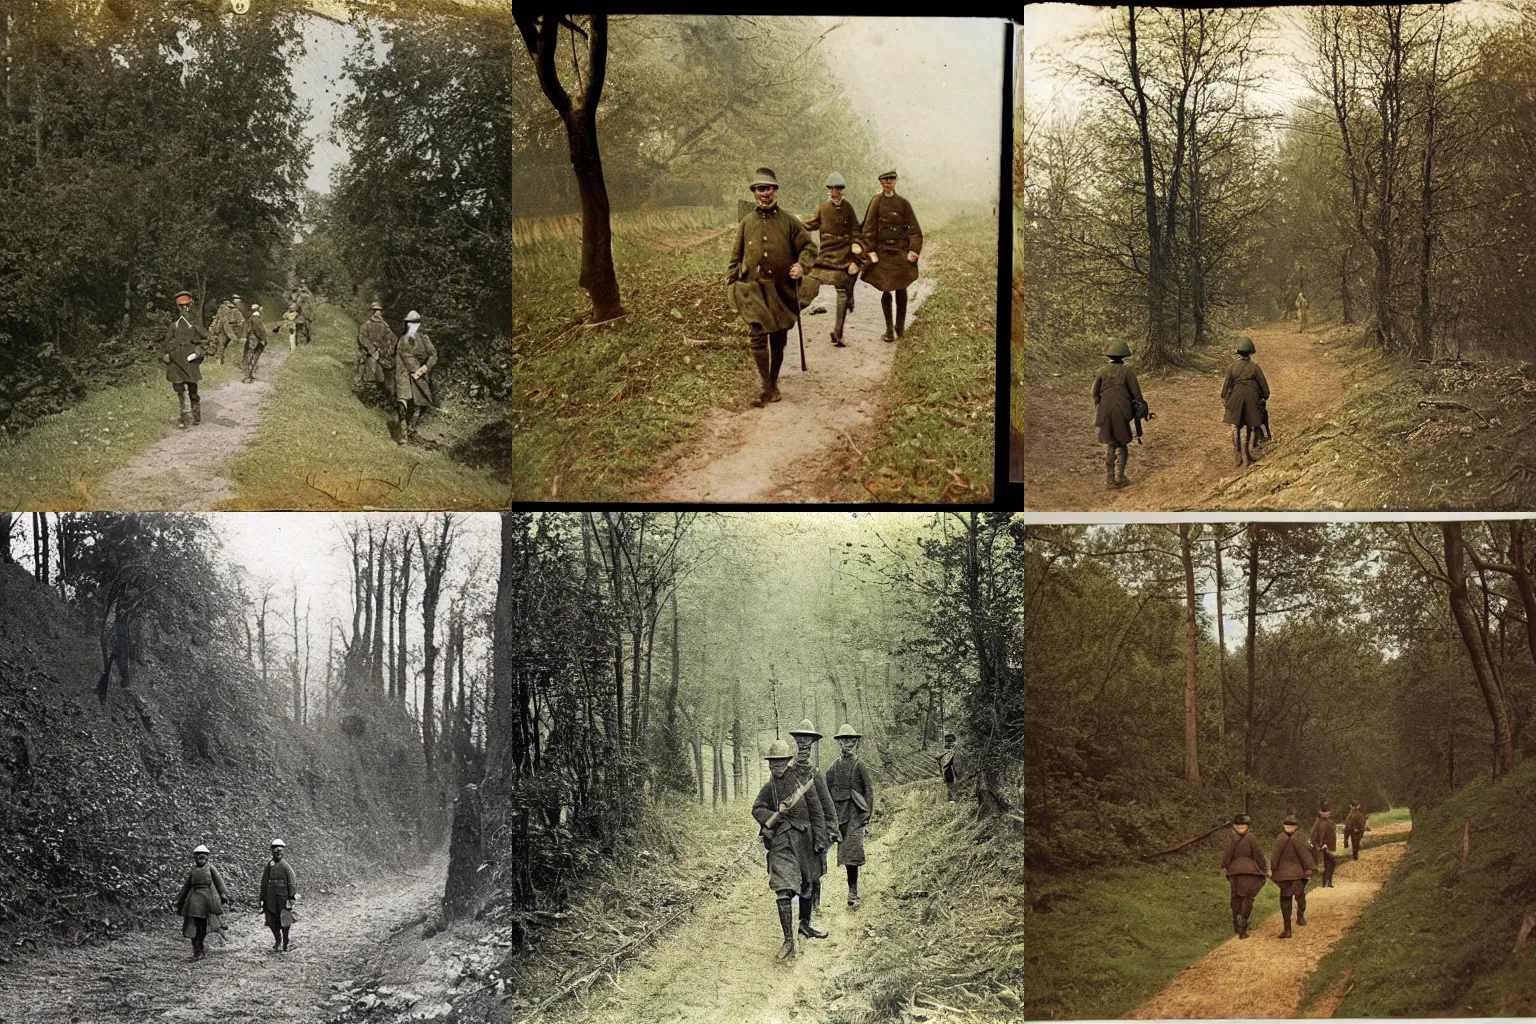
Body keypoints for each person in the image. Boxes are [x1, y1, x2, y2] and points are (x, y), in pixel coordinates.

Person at [727, 167, 816, 407]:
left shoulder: (789, 221)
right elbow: (735, 257)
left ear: (775, 191)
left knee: (778, 338)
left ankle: (773, 382)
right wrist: (731, 284)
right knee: (757, 336)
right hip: (753, 289)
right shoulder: (747, 222)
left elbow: (809, 248)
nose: (765, 193)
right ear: (754, 192)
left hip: (781, 290)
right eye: (760, 189)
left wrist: (801, 266)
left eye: (768, 188)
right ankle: (766, 386)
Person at [751, 739, 830, 961]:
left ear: (787, 762)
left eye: (779, 763)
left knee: (807, 885)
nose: (775, 767)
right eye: (772, 763)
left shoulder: (802, 781)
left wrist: (820, 840)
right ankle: (788, 941)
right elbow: (757, 808)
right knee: (782, 888)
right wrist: (773, 816)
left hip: (805, 839)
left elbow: (817, 812)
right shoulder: (770, 787)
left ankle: (804, 925)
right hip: (781, 841)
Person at [801, 172, 864, 347]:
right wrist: (794, 226)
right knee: (808, 282)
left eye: (838, 189)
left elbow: (856, 232)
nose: (835, 192)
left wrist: (856, 251)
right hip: (825, 256)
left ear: (842, 191)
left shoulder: (848, 208)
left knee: (842, 290)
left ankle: (838, 333)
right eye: (832, 189)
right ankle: (786, 320)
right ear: (828, 190)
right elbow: (810, 224)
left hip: (843, 256)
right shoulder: (823, 208)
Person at [859, 170, 922, 343]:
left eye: (891, 180)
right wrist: (870, 251)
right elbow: (868, 228)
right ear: (880, 183)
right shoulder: (876, 201)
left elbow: (914, 230)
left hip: (900, 253)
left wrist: (913, 251)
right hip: (882, 253)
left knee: (902, 288)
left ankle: (900, 328)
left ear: (896, 182)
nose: (888, 184)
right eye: (885, 181)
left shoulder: (903, 204)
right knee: (885, 288)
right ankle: (889, 331)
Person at [787, 719, 838, 922]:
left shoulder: (815, 774)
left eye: (807, 748)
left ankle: (815, 904)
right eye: (800, 746)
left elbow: (827, 805)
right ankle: (802, 908)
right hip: (795, 830)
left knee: (815, 870)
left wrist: (831, 829)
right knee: (798, 870)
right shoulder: (788, 774)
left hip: (815, 831)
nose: (803, 751)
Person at [825, 724, 874, 908]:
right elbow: (827, 787)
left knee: (853, 850)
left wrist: (867, 813)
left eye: (851, 740)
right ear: (840, 743)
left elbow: (869, 790)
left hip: (856, 813)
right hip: (841, 814)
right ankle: (851, 887)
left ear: (855, 743)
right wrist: (831, 811)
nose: (847, 744)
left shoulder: (859, 765)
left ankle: (853, 891)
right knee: (845, 853)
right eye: (844, 740)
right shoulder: (834, 766)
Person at [1092, 340, 1144, 490]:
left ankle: (1110, 480)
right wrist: (1139, 406)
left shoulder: (1101, 371)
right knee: (1122, 444)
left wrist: (1100, 402)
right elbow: (1137, 395)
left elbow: (1094, 393)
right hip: (1122, 411)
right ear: (1124, 356)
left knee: (1110, 444)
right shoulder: (1128, 371)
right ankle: (1120, 477)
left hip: (1106, 410)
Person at [174, 843, 230, 960]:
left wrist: (223, 895)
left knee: (202, 925)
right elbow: (187, 885)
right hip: (193, 899)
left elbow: (219, 883)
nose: (200, 860)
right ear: (195, 858)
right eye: (198, 857)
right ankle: (197, 950)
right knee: (192, 924)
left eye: (203, 857)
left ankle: (200, 948)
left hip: (207, 899)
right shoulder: (193, 870)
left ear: (207, 858)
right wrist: (179, 899)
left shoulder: (210, 868)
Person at [1222, 336, 1270, 468]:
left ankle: (1237, 454)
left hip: (1235, 398)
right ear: (1251, 352)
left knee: (1235, 426)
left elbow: (1225, 388)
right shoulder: (1255, 368)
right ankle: (1246, 455)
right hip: (1251, 398)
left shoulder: (1231, 367)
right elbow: (1265, 388)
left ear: (1238, 352)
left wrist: (1225, 399)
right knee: (1248, 426)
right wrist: (1264, 397)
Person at [162, 291, 208, 429]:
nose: (184, 310)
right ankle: (184, 416)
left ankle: (196, 413)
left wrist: (198, 351)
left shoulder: (195, 325)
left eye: (187, 306)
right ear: (178, 308)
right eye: (181, 307)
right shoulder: (174, 326)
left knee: (192, 388)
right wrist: (167, 354)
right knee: (179, 389)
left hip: (190, 362)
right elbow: (165, 343)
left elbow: (207, 339)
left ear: (190, 306)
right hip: (175, 363)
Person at [393, 310, 437, 444]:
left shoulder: (424, 338)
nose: (412, 326)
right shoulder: (403, 339)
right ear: (406, 324)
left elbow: (434, 354)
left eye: (415, 323)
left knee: (424, 402)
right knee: (403, 400)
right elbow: (405, 356)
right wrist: (416, 370)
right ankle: (404, 434)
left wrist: (424, 368)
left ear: (418, 324)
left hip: (418, 373)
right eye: (409, 323)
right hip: (403, 373)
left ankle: (411, 427)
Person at [1221, 813, 1267, 939]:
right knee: (1247, 897)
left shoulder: (1231, 838)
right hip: (1250, 872)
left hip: (1234, 873)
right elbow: (1259, 856)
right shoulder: (1251, 838)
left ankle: (1236, 919)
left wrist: (1229, 868)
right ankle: (1243, 927)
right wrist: (1264, 870)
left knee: (1235, 896)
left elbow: (1226, 857)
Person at [1269, 815, 1316, 939]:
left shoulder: (1280, 838)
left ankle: (1287, 930)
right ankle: (1300, 917)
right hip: (1299, 874)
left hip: (1284, 875)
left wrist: (1273, 870)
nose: (1289, 828)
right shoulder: (1299, 838)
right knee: (1300, 895)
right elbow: (1305, 855)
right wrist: (1310, 869)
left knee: (1285, 899)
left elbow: (1275, 856)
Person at [260, 839, 298, 952]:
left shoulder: (286, 866)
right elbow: (264, 882)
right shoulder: (270, 865)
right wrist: (262, 898)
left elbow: (292, 882)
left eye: (280, 848)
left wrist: (291, 898)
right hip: (270, 898)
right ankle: (278, 940)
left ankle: (286, 942)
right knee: (272, 921)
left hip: (283, 898)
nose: (278, 850)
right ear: (271, 850)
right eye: (275, 848)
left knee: (285, 921)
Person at [356, 301, 395, 395]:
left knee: (373, 377)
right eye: (377, 311)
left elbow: (361, 338)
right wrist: (375, 350)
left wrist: (376, 351)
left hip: (377, 355)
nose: (377, 313)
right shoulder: (384, 326)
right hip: (376, 355)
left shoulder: (367, 324)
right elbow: (392, 341)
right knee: (376, 377)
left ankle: (371, 393)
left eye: (377, 311)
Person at [1311, 804, 1338, 888]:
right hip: (1322, 847)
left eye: (1327, 812)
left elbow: (1333, 835)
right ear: (1320, 813)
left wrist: (1332, 846)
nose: (1325, 814)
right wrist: (1319, 845)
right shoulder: (1318, 822)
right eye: (1323, 812)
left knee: (1330, 864)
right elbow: (1313, 835)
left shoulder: (1331, 821)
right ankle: (1325, 883)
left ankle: (1327, 882)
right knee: (1327, 864)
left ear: (1329, 812)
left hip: (1330, 847)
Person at [242, 302, 267, 383]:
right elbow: (258, 330)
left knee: (251, 355)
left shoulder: (252, 317)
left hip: (252, 339)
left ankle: (249, 375)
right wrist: (262, 339)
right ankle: (247, 376)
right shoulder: (256, 318)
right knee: (252, 356)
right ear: (258, 309)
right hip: (255, 339)